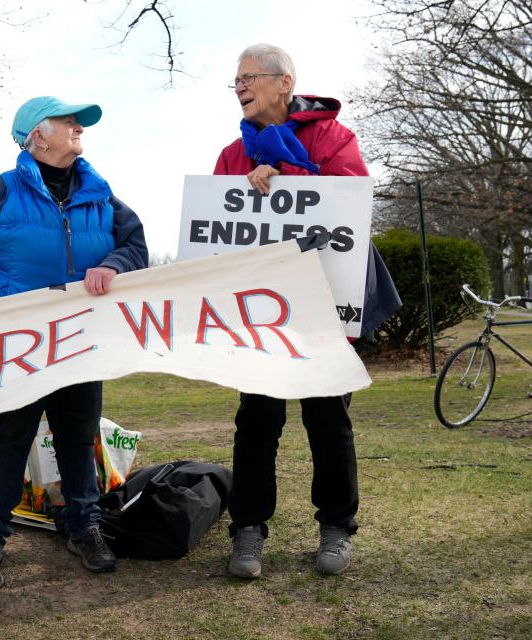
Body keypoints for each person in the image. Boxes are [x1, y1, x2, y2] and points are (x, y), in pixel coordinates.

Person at [0, 96, 149, 594]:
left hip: (81, 340)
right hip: (20, 346)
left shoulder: (99, 191)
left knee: (78, 439)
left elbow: (135, 244)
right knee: (10, 441)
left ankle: (84, 529)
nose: (77, 127)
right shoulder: (5, 190)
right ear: (36, 136)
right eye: (67, 122)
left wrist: (113, 264)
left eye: (79, 123)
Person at [215, 43, 398, 579]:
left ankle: (337, 526)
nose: (241, 87)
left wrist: (288, 172)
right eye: (237, 80)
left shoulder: (334, 138)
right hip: (263, 315)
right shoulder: (232, 153)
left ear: (284, 82)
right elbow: (219, 228)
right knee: (257, 420)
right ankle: (248, 529)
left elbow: (348, 201)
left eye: (250, 76)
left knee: (327, 418)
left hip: (322, 310)